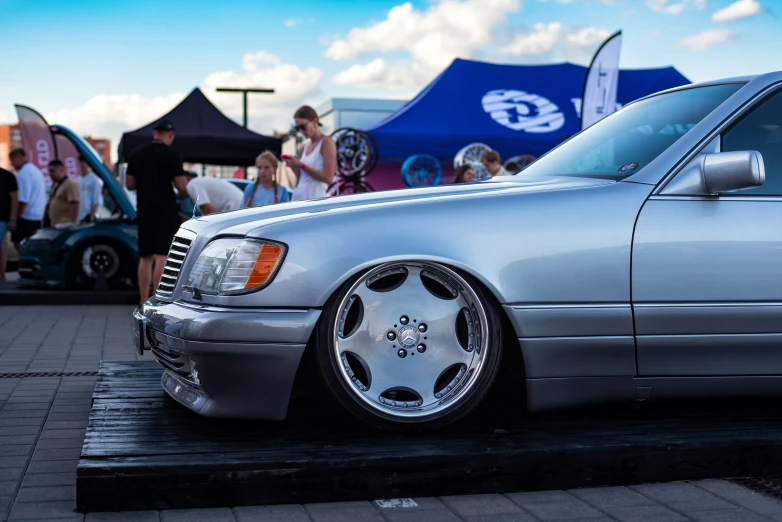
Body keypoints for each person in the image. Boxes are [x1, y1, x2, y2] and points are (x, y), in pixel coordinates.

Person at [125, 119, 188, 304]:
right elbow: (181, 186)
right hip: (165, 210)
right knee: (162, 255)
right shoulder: (173, 155)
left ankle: (143, 299)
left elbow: (129, 184)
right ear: (170, 136)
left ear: (154, 134)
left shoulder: (136, 154)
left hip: (144, 208)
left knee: (145, 257)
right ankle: (157, 299)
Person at [283, 106, 336, 201]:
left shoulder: (326, 142)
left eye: (303, 127)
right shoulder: (305, 146)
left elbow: (329, 178)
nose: (301, 131)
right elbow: (302, 179)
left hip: (315, 198)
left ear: (315, 122)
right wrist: (294, 166)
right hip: (300, 196)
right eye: (297, 128)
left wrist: (301, 165)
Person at [9, 148, 46, 253]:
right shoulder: (34, 170)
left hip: (27, 216)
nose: (11, 163)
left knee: (18, 241)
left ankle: (27, 262)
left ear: (19, 158)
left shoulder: (24, 174)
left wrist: (15, 218)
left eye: (12, 160)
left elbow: (23, 200)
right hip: (37, 215)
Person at [44, 160, 80, 226]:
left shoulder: (70, 184)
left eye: (52, 171)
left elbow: (75, 204)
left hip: (65, 225)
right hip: (55, 225)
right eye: (49, 171)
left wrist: (73, 224)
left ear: (61, 170)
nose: (50, 174)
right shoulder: (55, 184)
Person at [0, 166, 18, 282]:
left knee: (1, 247)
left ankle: (2, 277)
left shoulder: (7, 176)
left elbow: (14, 198)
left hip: (2, 218)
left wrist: (13, 218)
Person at [77, 155, 104, 223]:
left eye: (84, 162)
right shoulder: (77, 181)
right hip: (79, 217)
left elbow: (96, 201)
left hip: (88, 217)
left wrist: (91, 218)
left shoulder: (95, 180)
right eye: (80, 162)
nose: (82, 164)